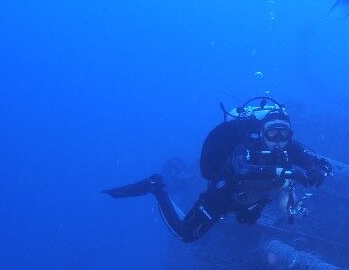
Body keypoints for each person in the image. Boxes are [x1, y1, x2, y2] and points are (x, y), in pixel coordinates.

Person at [104, 98, 332, 243]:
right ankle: (156, 185)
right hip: (223, 195)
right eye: (272, 133)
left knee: (249, 218)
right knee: (187, 234)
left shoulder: (287, 147)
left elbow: (318, 162)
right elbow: (242, 169)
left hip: (250, 201)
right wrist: (285, 172)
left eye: (284, 133)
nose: (278, 139)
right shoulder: (249, 142)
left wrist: (318, 170)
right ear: (262, 132)